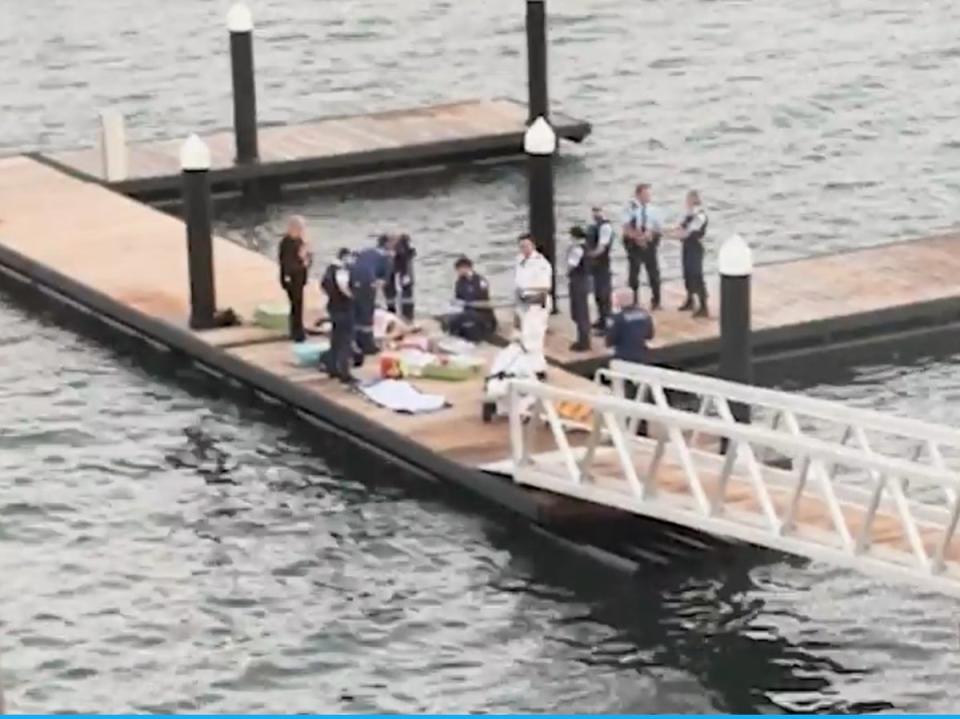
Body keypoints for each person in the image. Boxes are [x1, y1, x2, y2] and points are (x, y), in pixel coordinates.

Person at [606, 287, 656, 435]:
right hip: (642, 356)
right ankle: (643, 428)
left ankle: (628, 429)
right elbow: (650, 334)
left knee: (626, 396)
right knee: (641, 395)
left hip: (624, 358)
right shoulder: (644, 314)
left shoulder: (617, 318)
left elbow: (610, 339)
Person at [514, 233, 553, 379]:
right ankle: (530, 367)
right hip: (522, 302)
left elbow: (544, 287)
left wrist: (530, 300)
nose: (523, 249)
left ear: (533, 245)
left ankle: (539, 369)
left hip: (537, 303)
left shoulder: (541, 264)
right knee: (525, 336)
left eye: (526, 246)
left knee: (535, 336)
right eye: (521, 246)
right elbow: (517, 284)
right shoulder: (519, 260)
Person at [350, 235, 397, 355]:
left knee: (357, 310)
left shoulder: (366, 251)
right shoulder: (387, 257)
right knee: (367, 312)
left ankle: (355, 340)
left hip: (353, 279)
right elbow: (384, 280)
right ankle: (367, 345)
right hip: (368, 280)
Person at [669, 189, 710, 317]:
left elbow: (688, 233)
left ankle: (704, 306)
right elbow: (680, 227)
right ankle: (690, 299)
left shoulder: (700, 216)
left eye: (689, 200)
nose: (687, 203)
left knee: (696, 274)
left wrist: (669, 236)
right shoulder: (689, 214)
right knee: (687, 274)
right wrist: (666, 230)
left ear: (694, 200)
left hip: (695, 247)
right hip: (687, 246)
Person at [622, 183, 663, 310]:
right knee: (634, 272)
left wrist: (651, 235)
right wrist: (637, 238)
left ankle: (656, 300)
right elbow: (626, 227)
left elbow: (657, 227)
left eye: (649, 194)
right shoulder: (630, 207)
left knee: (654, 272)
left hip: (649, 242)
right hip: (634, 243)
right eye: (646, 194)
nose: (648, 196)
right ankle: (634, 300)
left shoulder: (652, 209)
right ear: (639, 194)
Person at [320, 248, 356, 383]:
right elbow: (346, 289)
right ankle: (344, 373)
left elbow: (323, 285)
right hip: (344, 309)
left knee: (335, 339)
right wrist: (354, 297)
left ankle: (332, 368)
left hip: (333, 308)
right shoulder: (341, 271)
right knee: (345, 341)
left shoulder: (329, 270)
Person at [445, 256, 498, 341]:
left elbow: (484, 298)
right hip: (467, 312)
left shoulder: (480, 280)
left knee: (468, 318)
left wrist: (468, 303)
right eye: (457, 270)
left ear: (467, 268)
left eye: (459, 269)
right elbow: (458, 299)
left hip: (482, 314)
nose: (458, 272)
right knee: (451, 319)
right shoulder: (459, 283)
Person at [277, 216, 311, 342]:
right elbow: (287, 262)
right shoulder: (286, 243)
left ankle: (297, 329)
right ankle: (297, 332)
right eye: (300, 229)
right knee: (296, 304)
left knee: (297, 305)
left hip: (298, 277)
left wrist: (306, 258)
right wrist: (302, 259)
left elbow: (307, 259)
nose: (302, 231)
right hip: (291, 278)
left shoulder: (300, 241)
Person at [584, 206, 614, 331]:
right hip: (595, 265)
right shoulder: (594, 227)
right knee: (597, 293)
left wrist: (589, 255)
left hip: (602, 264)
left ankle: (607, 322)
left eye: (598, 212)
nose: (596, 214)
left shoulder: (605, 227)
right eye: (594, 212)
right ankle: (601, 319)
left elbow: (602, 247)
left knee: (603, 293)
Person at [566, 226, 592, 351]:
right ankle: (584, 339)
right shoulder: (586, 247)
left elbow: (572, 265)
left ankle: (583, 342)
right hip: (585, 280)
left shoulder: (576, 249)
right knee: (582, 311)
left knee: (579, 311)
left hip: (578, 281)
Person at [384, 233, 416, 321]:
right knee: (401, 300)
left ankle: (402, 319)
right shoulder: (405, 252)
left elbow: (398, 265)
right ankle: (406, 318)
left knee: (399, 300)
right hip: (401, 279)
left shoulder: (401, 252)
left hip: (400, 278)